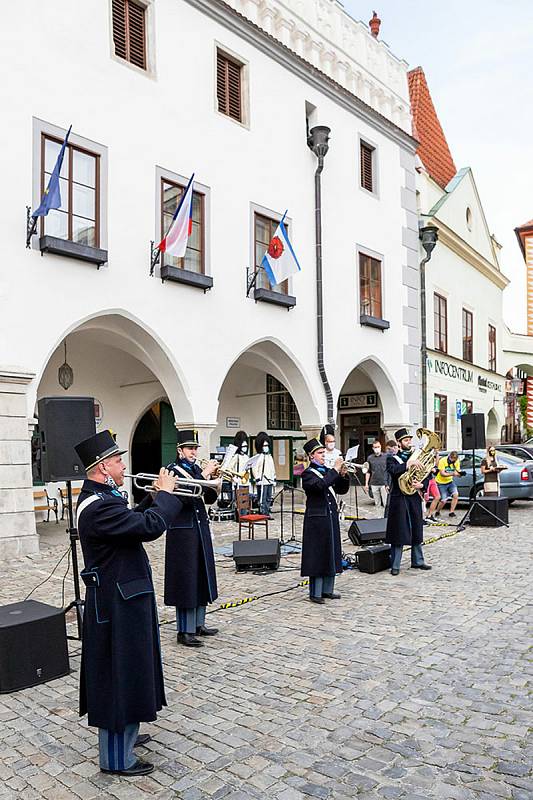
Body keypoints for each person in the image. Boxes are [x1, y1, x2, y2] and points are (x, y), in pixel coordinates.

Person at [74, 429, 183, 777]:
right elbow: (149, 527)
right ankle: (117, 759)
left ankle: (129, 732)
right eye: (118, 460)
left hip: (126, 597)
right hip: (117, 603)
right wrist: (165, 495)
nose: (124, 465)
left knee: (133, 669)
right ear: (103, 467)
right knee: (119, 674)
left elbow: (133, 522)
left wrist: (152, 498)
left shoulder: (105, 500)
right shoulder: (99, 507)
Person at [164, 430, 219, 648]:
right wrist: (205, 476)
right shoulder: (172, 471)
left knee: (201, 574)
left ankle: (198, 624)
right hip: (182, 531)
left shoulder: (195, 469)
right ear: (179, 450)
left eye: (195, 448)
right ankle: (184, 630)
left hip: (199, 527)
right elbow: (184, 498)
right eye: (190, 448)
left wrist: (215, 483)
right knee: (186, 580)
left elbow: (207, 498)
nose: (194, 452)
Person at [300, 437, 350, 603]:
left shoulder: (327, 471)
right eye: (320, 453)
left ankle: (328, 590)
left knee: (331, 551)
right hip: (317, 519)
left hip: (330, 517)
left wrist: (343, 476)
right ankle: (316, 592)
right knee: (318, 555)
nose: (323, 455)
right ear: (311, 456)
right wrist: (335, 471)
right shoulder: (307, 474)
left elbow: (341, 489)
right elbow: (319, 486)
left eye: (323, 452)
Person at [385, 427, 432, 575]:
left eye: (410, 440)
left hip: (413, 497)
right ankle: (396, 565)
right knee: (399, 531)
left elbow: (428, 475)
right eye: (406, 440)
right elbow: (393, 471)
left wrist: (422, 485)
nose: (409, 442)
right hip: (398, 498)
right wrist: (407, 464)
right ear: (399, 444)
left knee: (417, 528)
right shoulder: (392, 458)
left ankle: (418, 561)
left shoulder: (417, 456)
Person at [428, 451, 462, 520]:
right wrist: (453, 474)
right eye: (452, 459)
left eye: (454, 460)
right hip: (440, 482)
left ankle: (451, 512)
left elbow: (457, 471)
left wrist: (459, 474)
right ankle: (437, 511)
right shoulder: (443, 460)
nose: (453, 461)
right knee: (443, 500)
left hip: (450, 481)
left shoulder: (457, 461)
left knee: (456, 495)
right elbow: (442, 473)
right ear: (450, 457)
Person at [251, 432, 276, 517]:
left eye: (267, 445)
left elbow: (272, 468)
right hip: (262, 481)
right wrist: (257, 477)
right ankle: (263, 511)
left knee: (269, 497)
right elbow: (254, 468)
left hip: (269, 480)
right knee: (262, 497)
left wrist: (274, 477)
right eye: (264, 446)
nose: (266, 447)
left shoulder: (269, 456)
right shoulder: (258, 457)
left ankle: (267, 511)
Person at [364, 440, 388, 515]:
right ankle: (379, 518)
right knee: (377, 503)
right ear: (372, 448)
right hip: (374, 483)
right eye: (375, 447)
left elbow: (388, 470)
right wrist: (366, 484)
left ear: (381, 447)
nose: (377, 448)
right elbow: (368, 471)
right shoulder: (370, 458)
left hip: (384, 483)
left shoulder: (386, 457)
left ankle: (386, 519)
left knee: (385, 503)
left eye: (378, 447)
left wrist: (388, 484)